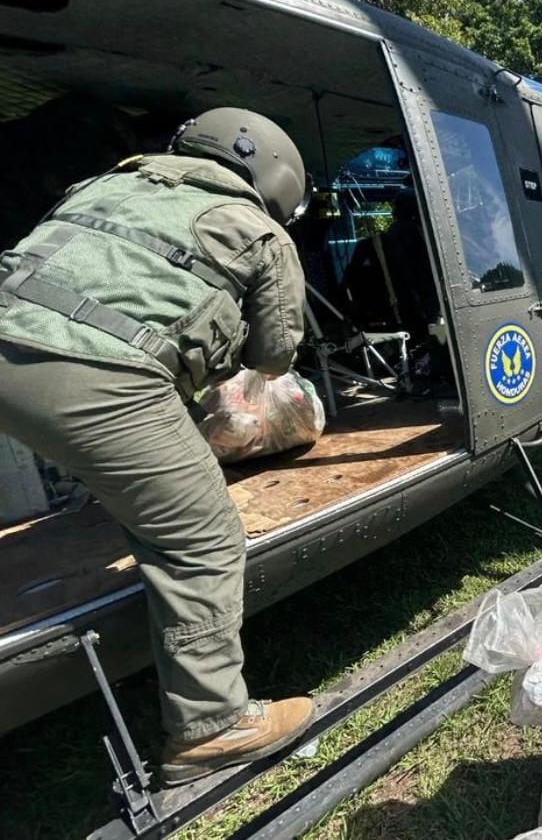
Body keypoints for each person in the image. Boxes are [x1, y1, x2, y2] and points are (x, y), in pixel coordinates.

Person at [0, 107, 314, 785]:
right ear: (276, 178)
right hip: (98, 376)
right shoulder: (257, 227)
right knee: (200, 535)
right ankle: (212, 724)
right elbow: (276, 352)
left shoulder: (103, 185)